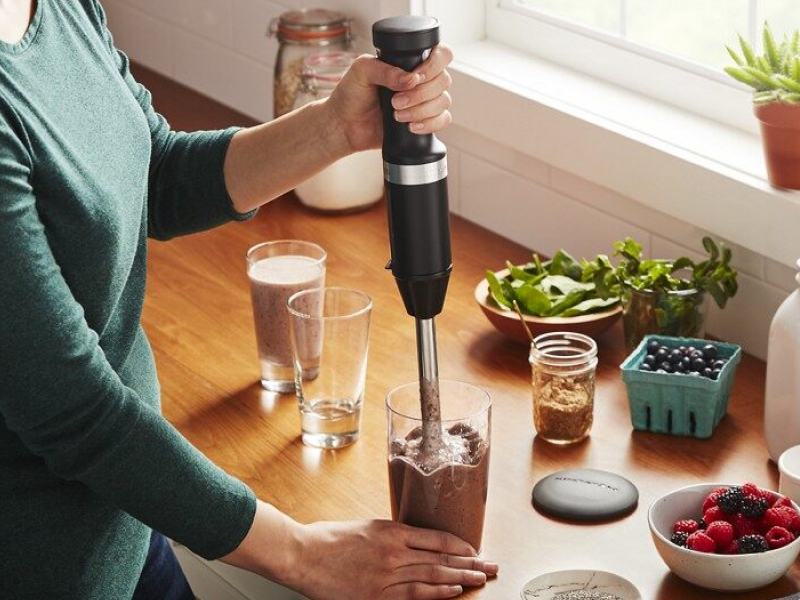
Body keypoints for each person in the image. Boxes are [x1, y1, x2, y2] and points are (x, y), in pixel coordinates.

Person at [0, 0, 499, 599]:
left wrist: (336, 127)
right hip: (43, 562)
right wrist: (304, 554)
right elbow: (70, 410)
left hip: (131, 517)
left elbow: (154, 174)